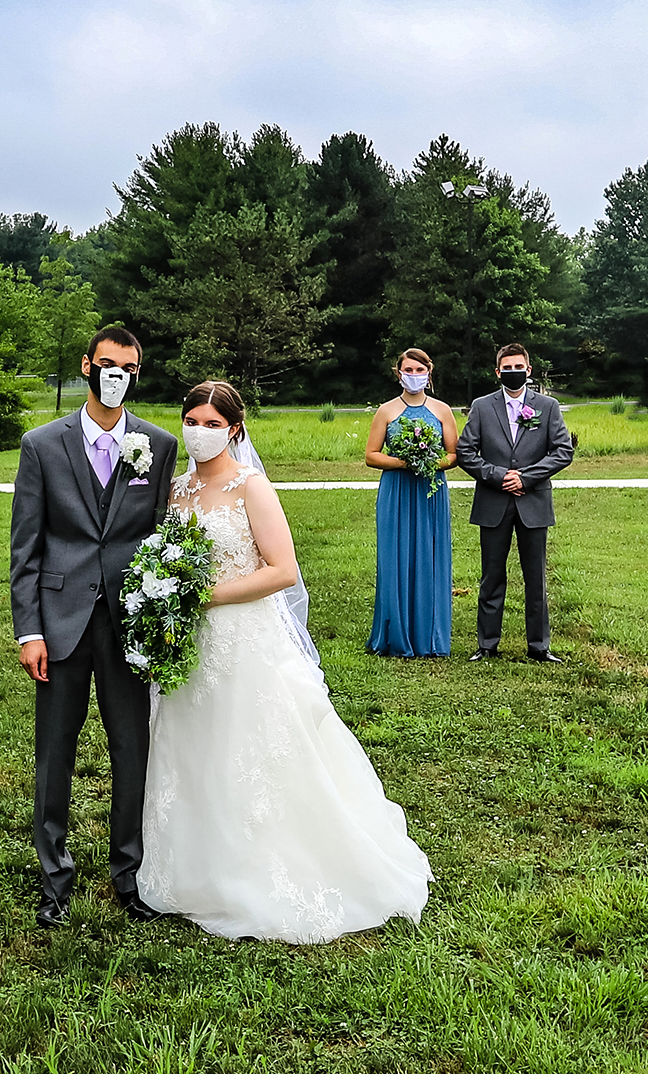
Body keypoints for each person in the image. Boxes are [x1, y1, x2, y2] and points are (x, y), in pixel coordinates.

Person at [137, 382, 432, 941]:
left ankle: (259, 863)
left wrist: (207, 595)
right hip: (187, 644)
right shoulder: (174, 492)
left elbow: (282, 571)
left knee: (250, 745)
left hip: (243, 638)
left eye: (211, 423)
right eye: (190, 420)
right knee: (192, 743)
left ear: (235, 430)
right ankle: (192, 862)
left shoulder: (252, 487)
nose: (198, 431)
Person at [7, 325, 176, 927]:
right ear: (87, 366)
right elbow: (26, 546)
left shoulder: (158, 445)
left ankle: (128, 876)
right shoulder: (42, 445)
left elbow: (163, 541)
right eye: (107, 364)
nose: (116, 375)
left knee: (133, 748)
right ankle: (54, 876)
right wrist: (29, 631)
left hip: (130, 622)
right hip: (60, 622)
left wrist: (161, 618)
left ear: (136, 373)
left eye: (127, 368)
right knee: (55, 752)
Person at [453, 342, 576, 660]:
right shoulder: (482, 406)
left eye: (518, 367)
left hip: (533, 501)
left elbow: (563, 451)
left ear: (528, 369)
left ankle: (539, 646)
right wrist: (498, 476)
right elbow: (465, 451)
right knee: (491, 575)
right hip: (494, 502)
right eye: (506, 368)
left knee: (535, 577)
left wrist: (526, 477)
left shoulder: (547, 407)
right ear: (497, 372)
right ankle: (487, 644)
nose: (513, 372)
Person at [363, 349, 456, 657]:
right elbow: (371, 455)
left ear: (428, 373)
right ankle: (395, 633)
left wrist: (429, 463)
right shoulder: (386, 411)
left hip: (430, 489)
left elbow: (454, 455)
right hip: (397, 489)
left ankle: (429, 635)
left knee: (429, 556)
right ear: (398, 373)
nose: (413, 374)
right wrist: (403, 461)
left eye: (419, 369)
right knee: (396, 556)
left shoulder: (442, 410)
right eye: (408, 369)